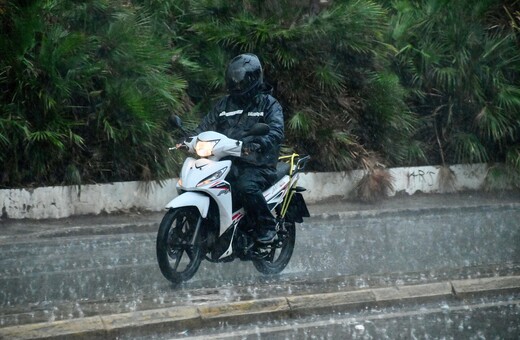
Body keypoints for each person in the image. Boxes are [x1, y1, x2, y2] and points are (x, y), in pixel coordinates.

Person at [195, 53, 284, 244]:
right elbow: (206, 125)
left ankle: (266, 225)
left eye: (240, 81)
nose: (237, 85)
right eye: (233, 81)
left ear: (252, 79)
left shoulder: (269, 104)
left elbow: (276, 131)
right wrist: (191, 137)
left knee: (246, 187)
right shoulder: (224, 104)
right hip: (226, 161)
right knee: (204, 183)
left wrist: (262, 141)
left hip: (258, 164)